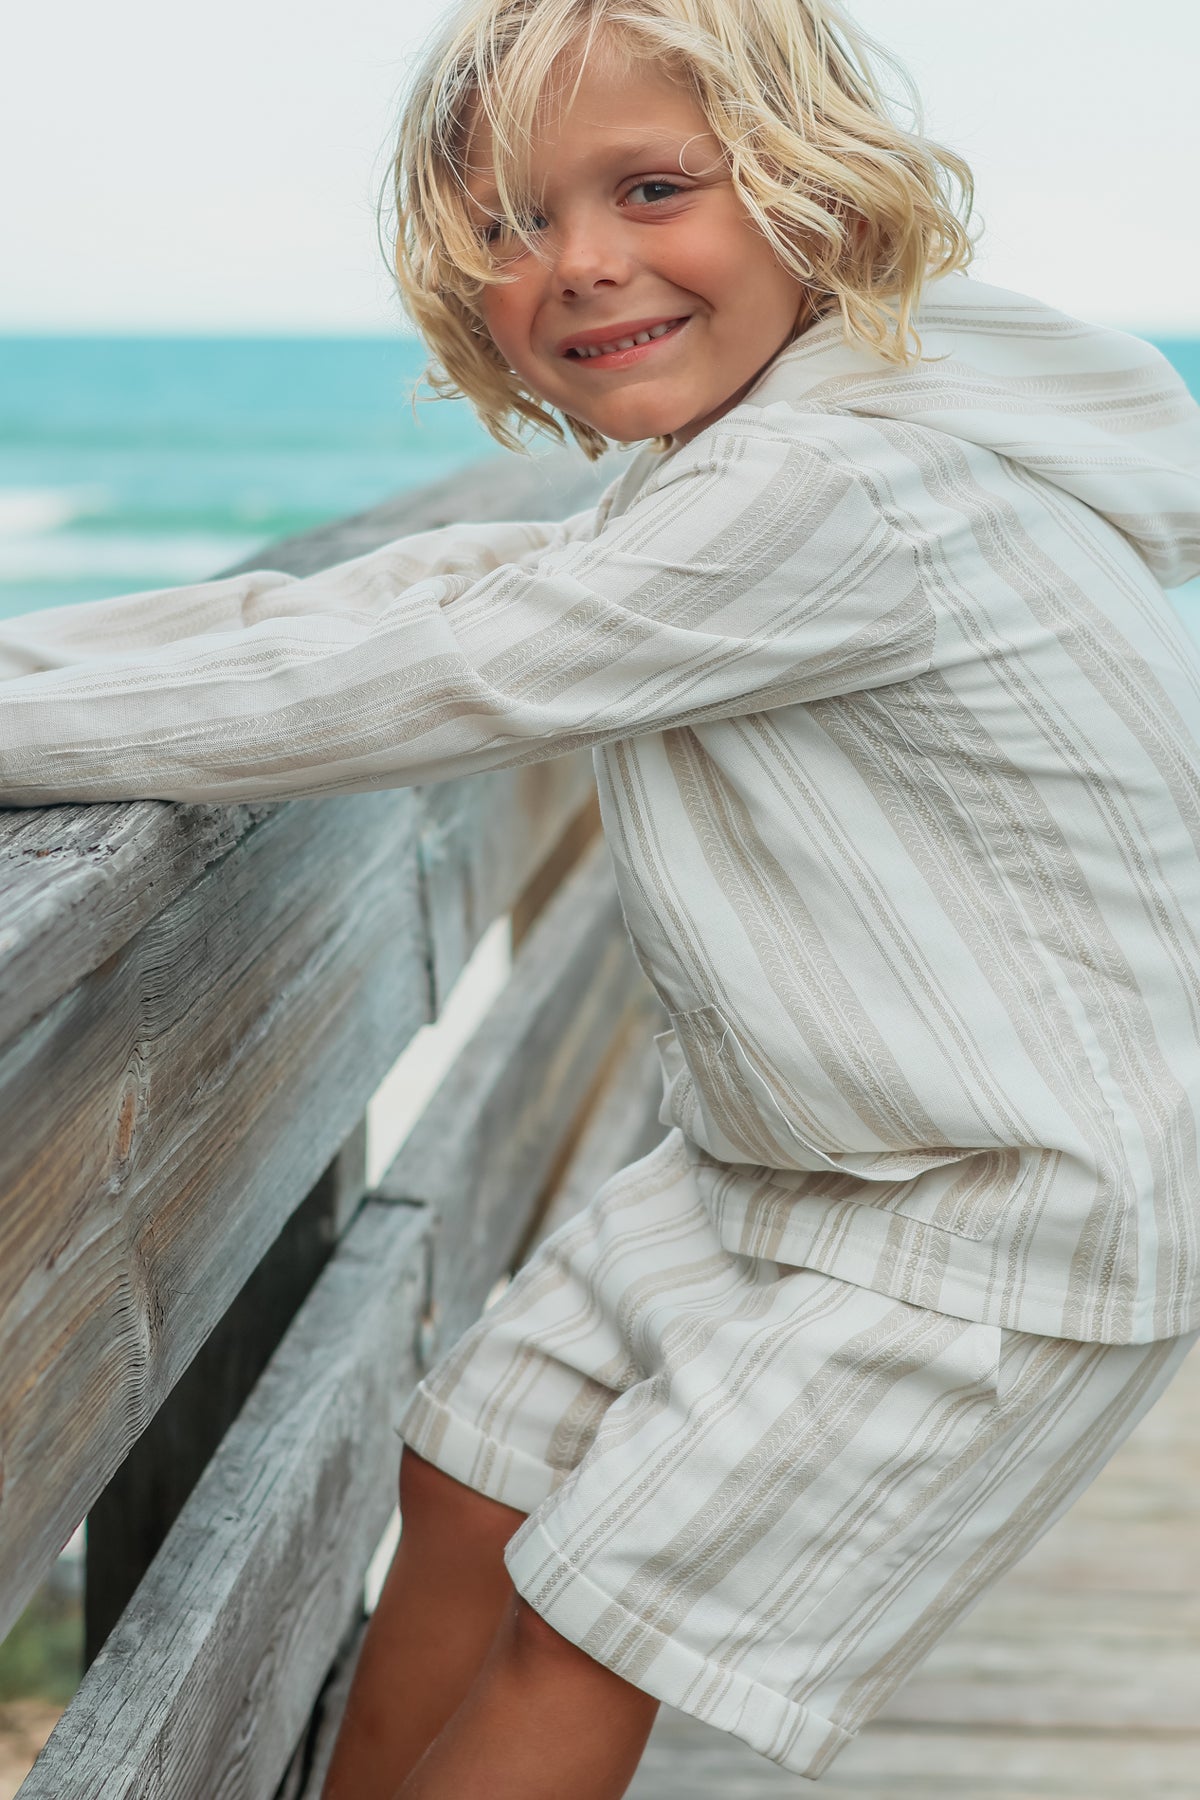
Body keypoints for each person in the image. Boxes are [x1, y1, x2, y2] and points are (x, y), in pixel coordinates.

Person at [4, 0, 1200, 1793]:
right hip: (791, 1160)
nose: (577, 261)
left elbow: (432, 673)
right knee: (474, 1471)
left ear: (813, 194)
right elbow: (398, 602)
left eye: (651, 189)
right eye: (509, 222)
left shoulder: (833, 485)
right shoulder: (752, 452)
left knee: (588, 1624)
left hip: (1008, 1216)